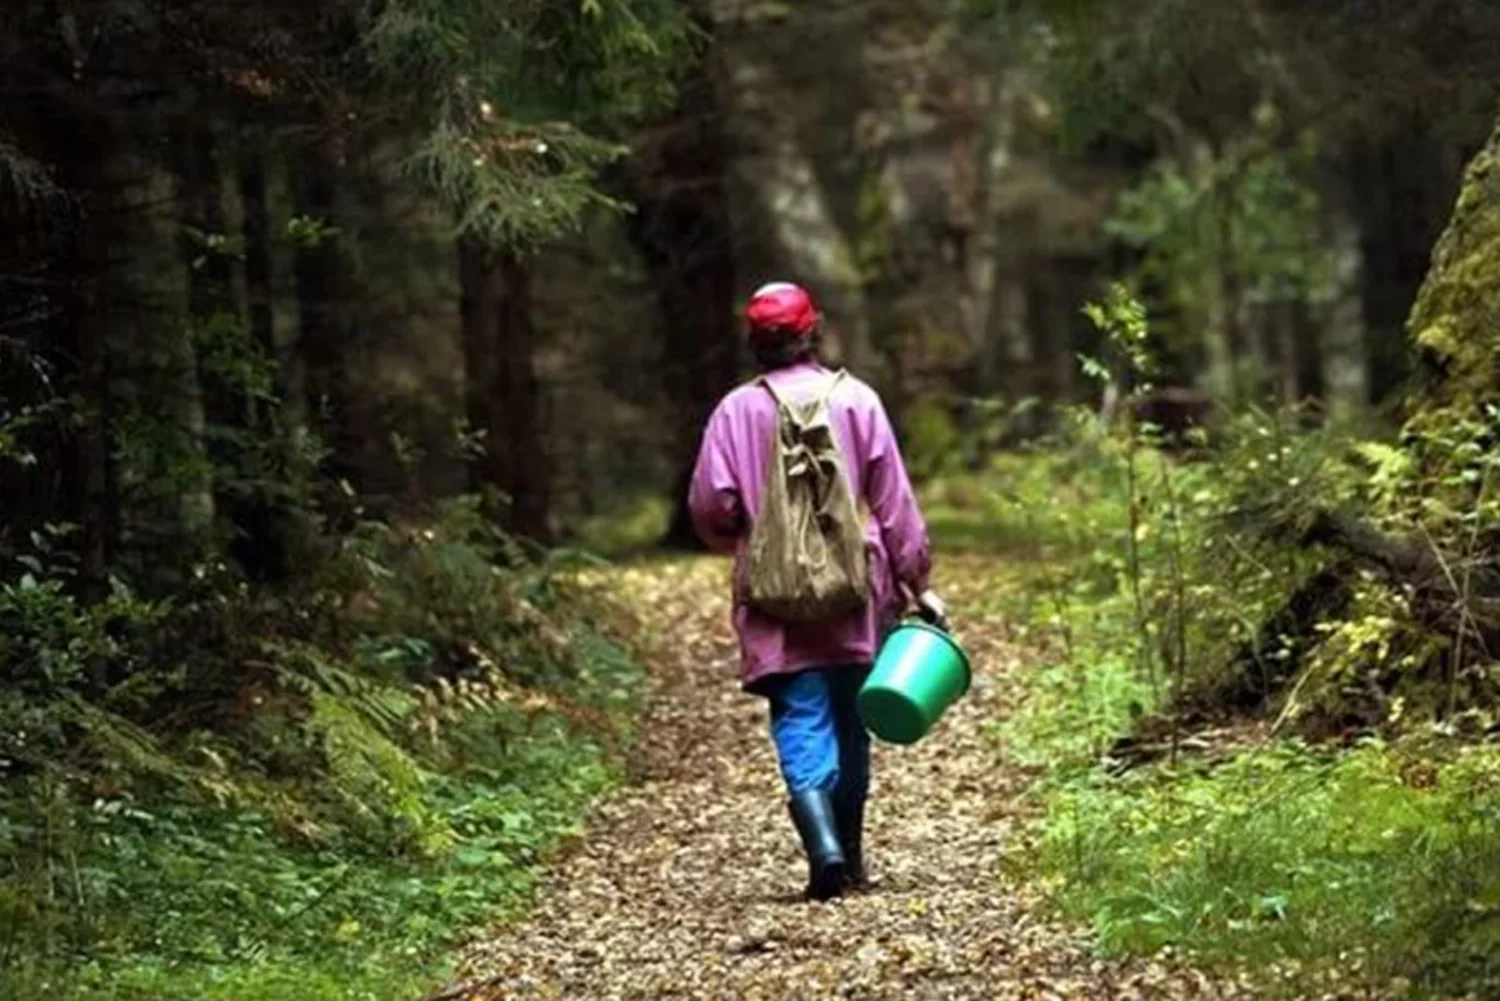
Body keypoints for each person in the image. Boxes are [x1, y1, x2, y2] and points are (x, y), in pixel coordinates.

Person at [688, 280, 944, 901]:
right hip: (858, 592)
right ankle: (850, 854)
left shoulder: (735, 412)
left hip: (775, 599)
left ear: (755, 343)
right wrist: (918, 583)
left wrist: (746, 539)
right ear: (814, 329)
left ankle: (821, 846)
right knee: (854, 720)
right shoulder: (857, 401)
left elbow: (710, 504)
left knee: (800, 712)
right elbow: (894, 504)